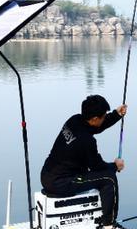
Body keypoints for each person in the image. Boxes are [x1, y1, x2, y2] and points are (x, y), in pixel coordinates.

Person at [41, 95, 128, 229]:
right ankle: (109, 224)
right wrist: (115, 166)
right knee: (108, 178)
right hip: (62, 183)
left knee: (100, 174)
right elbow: (97, 167)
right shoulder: (86, 141)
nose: (105, 118)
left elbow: (96, 127)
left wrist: (116, 114)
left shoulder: (74, 120)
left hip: (47, 175)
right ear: (94, 118)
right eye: (104, 116)